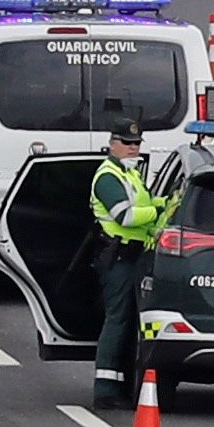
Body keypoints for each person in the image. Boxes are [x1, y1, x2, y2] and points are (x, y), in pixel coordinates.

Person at [85, 119, 168, 384]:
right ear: (112, 144)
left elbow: (143, 207)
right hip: (117, 258)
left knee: (130, 321)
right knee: (117, 319)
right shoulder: (108, 176)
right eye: (126, 142)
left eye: (136, 143)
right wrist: (158, 209)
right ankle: (105, 389)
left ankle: (122, 384)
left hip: (134, 256)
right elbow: (126, 216)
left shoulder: (131, 174)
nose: (133, 147)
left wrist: (168, 203)